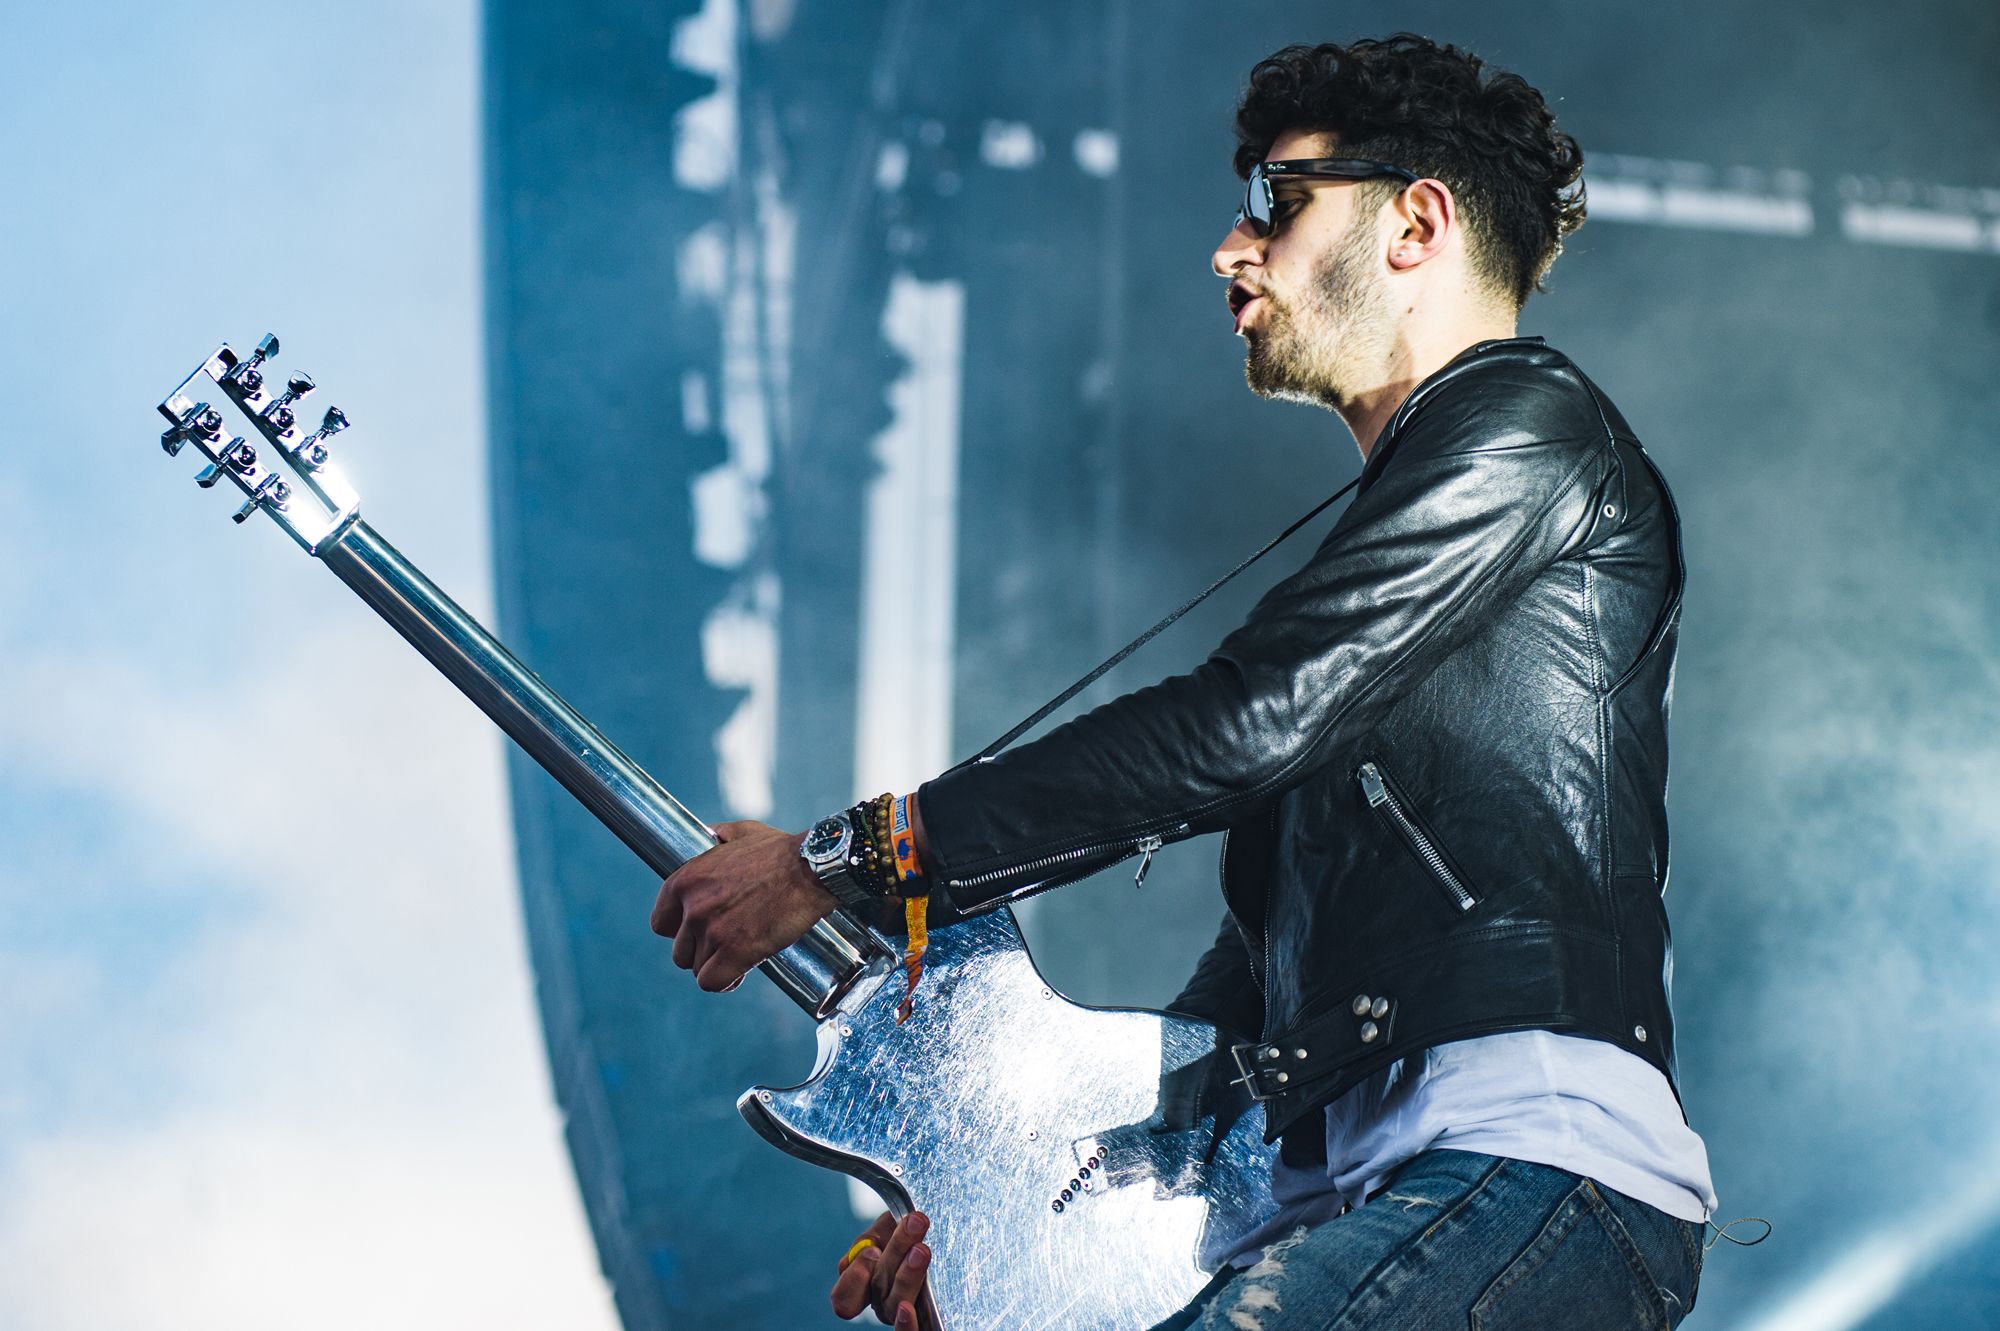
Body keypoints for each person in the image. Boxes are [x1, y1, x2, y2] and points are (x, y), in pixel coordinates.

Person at [651, 33, 1716, 1331]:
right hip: (1399, 1191)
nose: (1230, 247)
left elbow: (1241, 723)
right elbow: (1236, 1013)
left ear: (1418, 222)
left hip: (1524, 1165)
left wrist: (841, 861)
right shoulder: (1433, 530)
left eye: (1276, 200)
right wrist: (1009, 1232)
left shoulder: (1529, 436)